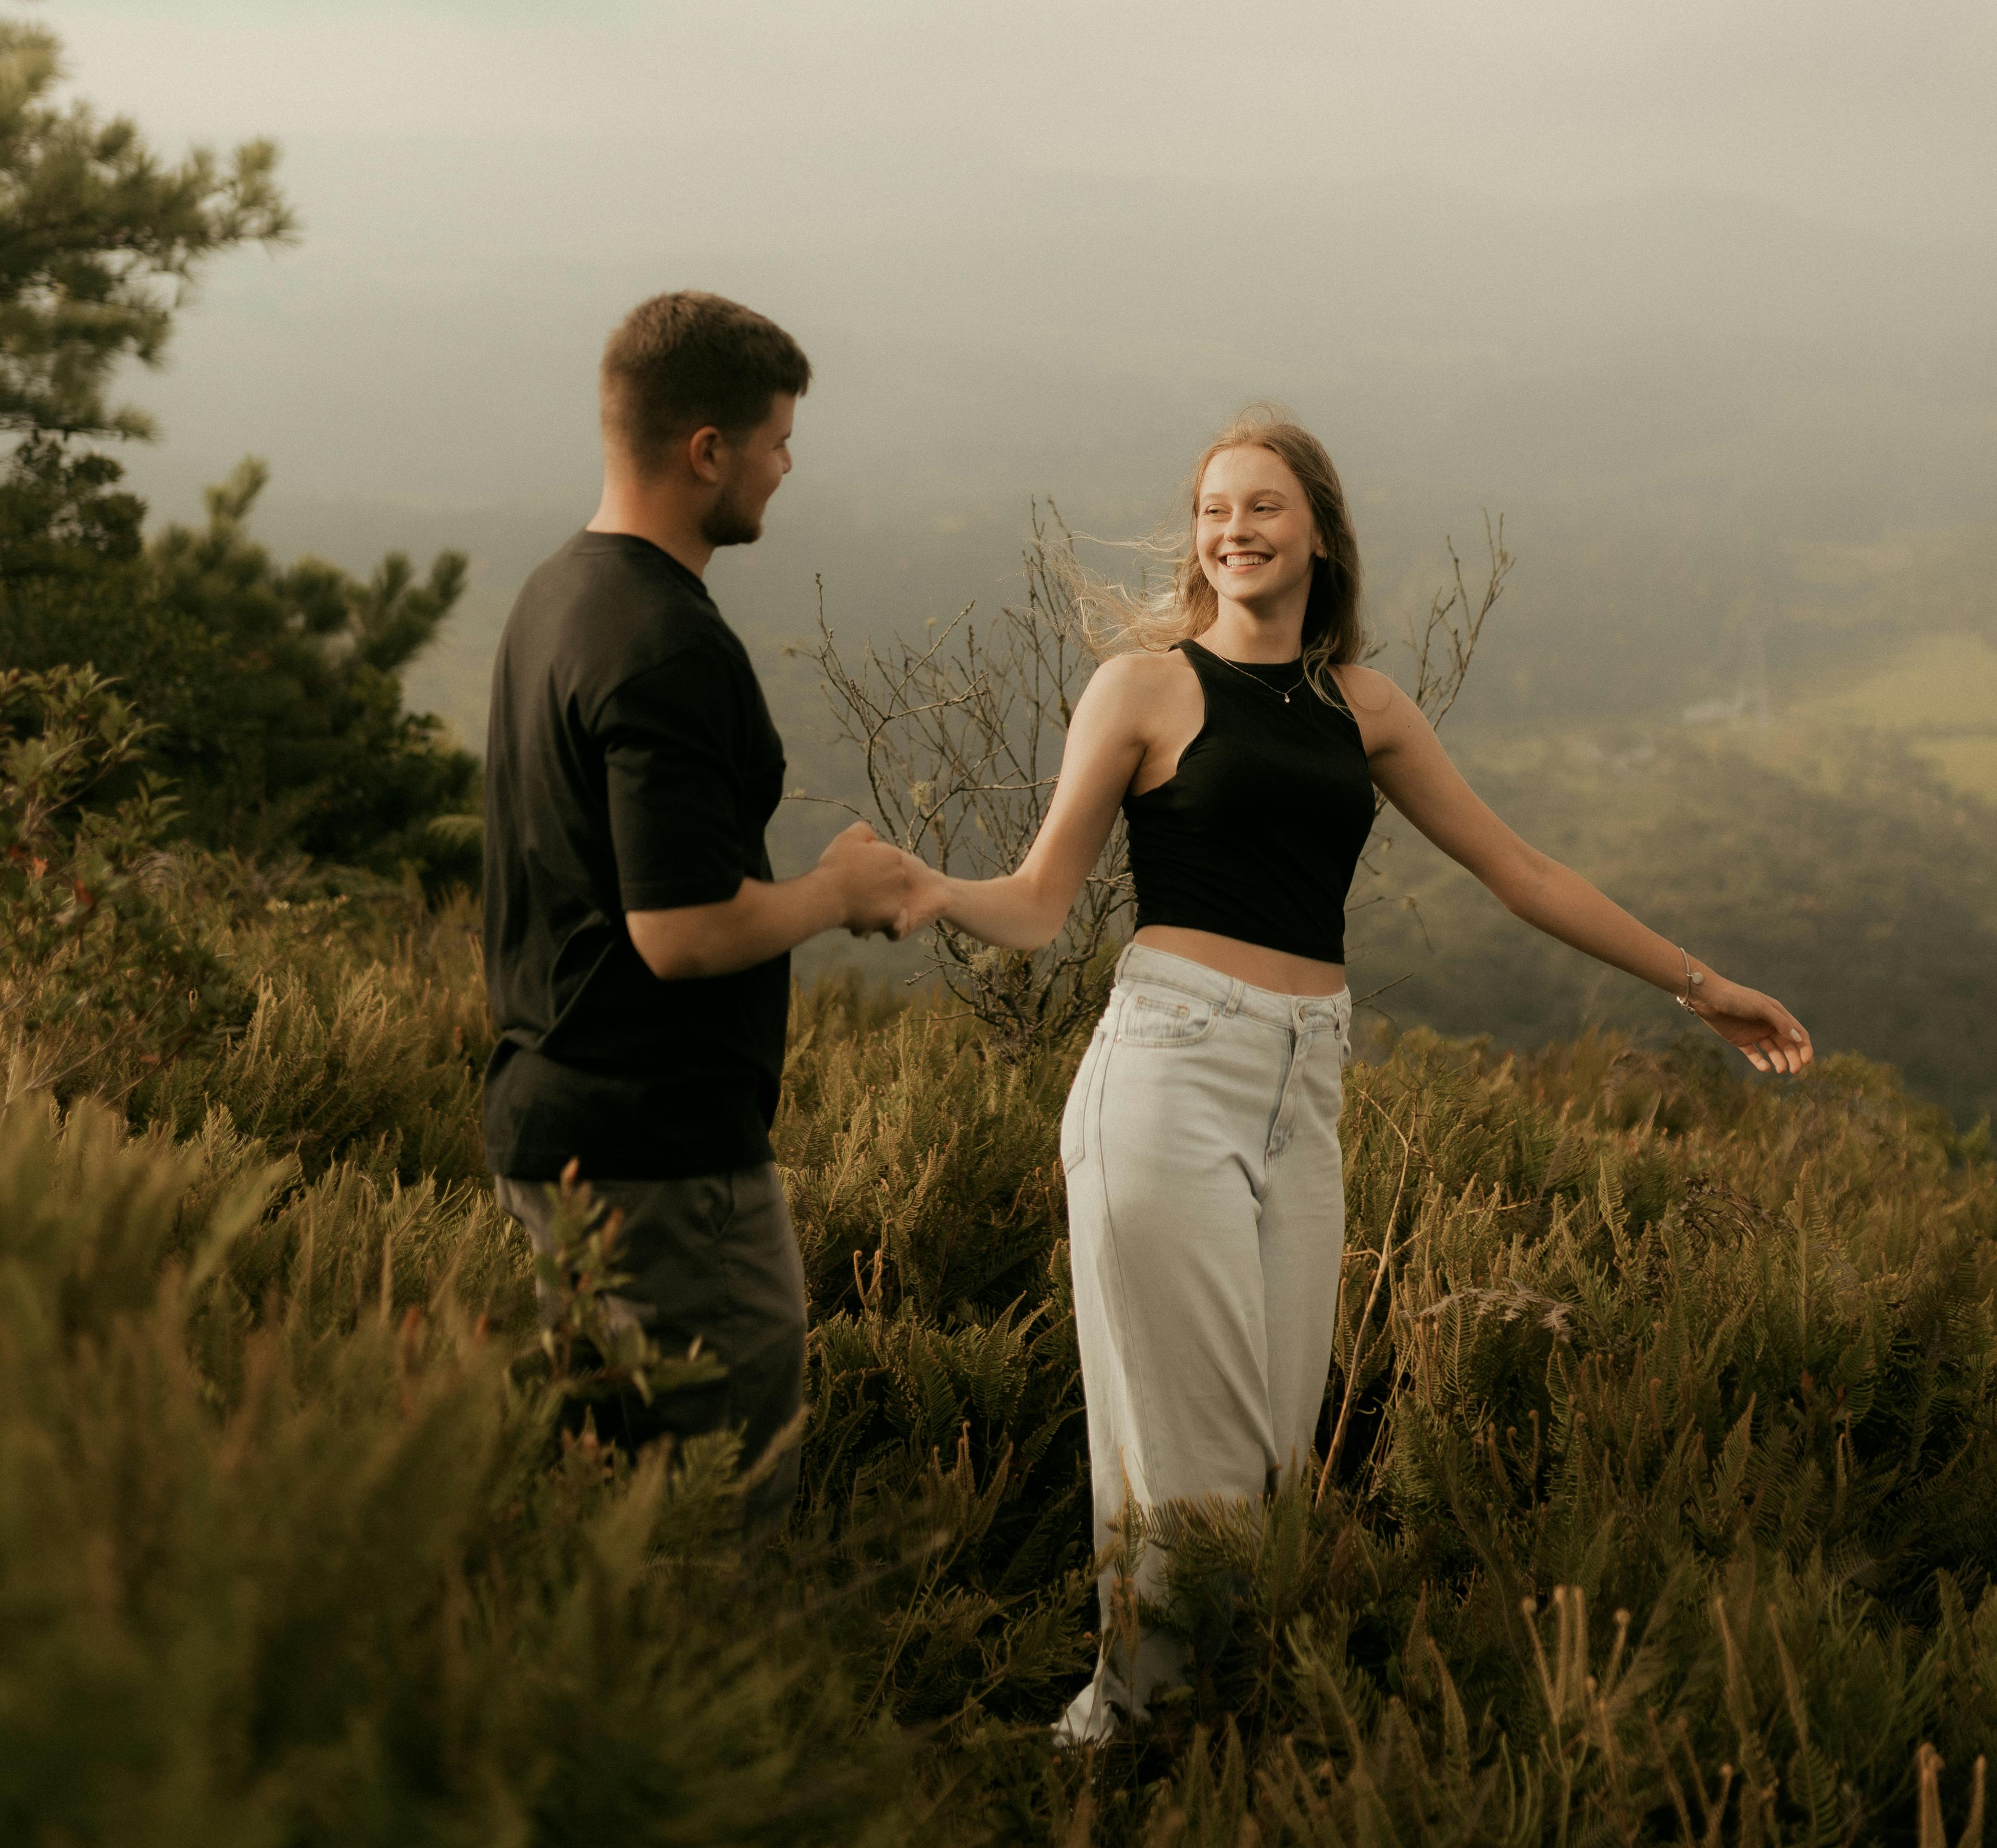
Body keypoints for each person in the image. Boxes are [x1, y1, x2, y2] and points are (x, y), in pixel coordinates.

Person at [897, 408, 1814, 1740]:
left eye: (1261, 507)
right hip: (1165, 1075)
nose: (1233, 531)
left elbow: (1525, 873)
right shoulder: (1143, 688)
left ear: (1318, 533)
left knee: (1268, 1467)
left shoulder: (1362, 709)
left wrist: (1698, 984)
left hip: (1302, 1091)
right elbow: (1041, 900)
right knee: (1191, 1473)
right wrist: (929, 890)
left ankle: (1200, 1743)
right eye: (1213, 510)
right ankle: (1122, 1748)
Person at [481, 290, 910, 1530]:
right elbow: (678, 934)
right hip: (658, 1148)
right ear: (704, 450)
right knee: (715, 1512)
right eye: (774, 439)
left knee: (604, 1491)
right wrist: (840, 893)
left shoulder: (554, 598)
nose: (787, 464)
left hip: (551, 1119)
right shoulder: (668, 644)